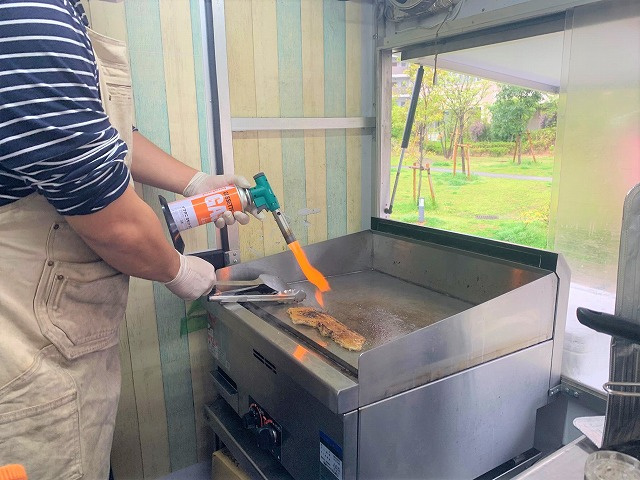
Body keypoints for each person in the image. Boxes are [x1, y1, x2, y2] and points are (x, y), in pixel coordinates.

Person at [0, 0, 255, 477]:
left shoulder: (62, 12)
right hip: (22, 350)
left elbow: (104, 136)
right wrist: (178, 270)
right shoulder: (28, 14)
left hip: (57, 337)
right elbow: (114, 224)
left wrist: (196, 181)